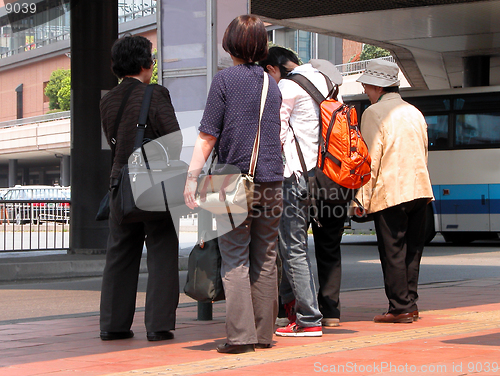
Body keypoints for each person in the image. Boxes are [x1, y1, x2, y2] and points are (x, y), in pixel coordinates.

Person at [183, 15, 283, 353]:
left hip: (230, 180)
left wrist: (192, 178)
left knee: (235, 258)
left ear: (230, 43)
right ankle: (264, 334)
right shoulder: (273, 85)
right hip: (272, 180)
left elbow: (208, 136)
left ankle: (240, 338)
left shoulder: (224, 81)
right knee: (266, 258)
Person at [99, 35, 182, 341]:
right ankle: (158, 326)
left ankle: (113, 325)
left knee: (120, 252)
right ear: (147, 63)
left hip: (120, 184)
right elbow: (173, 138)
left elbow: (115, 141)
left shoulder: (107, 100)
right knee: (161, 250)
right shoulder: (155, 94)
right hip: (152, 182)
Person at [260, 47, 347, 336]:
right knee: (327, 248)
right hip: (331, 177)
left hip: (297, 178)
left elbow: (277, 133)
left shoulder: (286, 86)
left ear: (273, 69)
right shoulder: (328, 81)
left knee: (293, 248)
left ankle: (308, 319)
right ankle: (300, 311)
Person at [355, 60, 434, 323]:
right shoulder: (415, 112)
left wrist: (360, 199)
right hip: (420, 190)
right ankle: (410, 303)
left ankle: (399, 308)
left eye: (366, 85)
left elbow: (370, 159)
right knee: (412, 251)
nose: (365, 89)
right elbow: (424, 153)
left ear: (377, 86)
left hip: (392, 191)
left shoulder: (374, 113)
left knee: (393, 251)